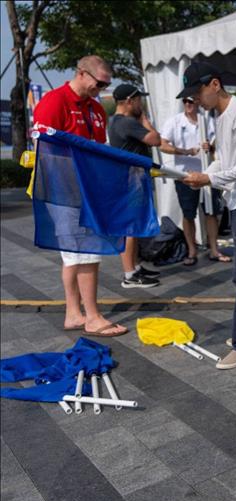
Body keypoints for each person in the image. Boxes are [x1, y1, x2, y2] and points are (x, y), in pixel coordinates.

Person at [180, 62, 236, 370]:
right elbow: (225, 160)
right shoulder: (220, 117)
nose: (195, 100)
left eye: (197, 92)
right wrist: (204, 174)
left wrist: (210, 180)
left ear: (215, 84)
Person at [31, 55, 127, 337]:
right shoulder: (54, 101)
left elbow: (99, 150)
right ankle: (93, 317)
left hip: (89, 190)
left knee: (73, 255)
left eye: (107, 84)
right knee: (86, 251)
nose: (102, 88)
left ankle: (74, 314)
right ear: (82, 74)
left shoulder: (97, 109)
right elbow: (43, 149)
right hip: (65, 192)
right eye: (100, 83)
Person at [159, 96, 230, 265]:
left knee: (211, 211)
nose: (188, 105)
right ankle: (192, 250)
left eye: (191, 102)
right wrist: (185, 151)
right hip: (185, 174)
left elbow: (218, 144)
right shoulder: (174, 122)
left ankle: (213, 248)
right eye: (185, 102)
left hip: (207, 172)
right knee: (188, 212)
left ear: (197, 102)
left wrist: (210, 147)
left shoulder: (207, 121)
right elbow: (162, 145)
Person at [107, 83, 162, 289]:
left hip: (129, 179)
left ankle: (135, 267)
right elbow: (155, 140)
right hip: (131, 181)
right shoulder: (128, 123)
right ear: (129, 101)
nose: (142, 104)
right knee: (130, 227)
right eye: (139, 100)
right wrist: (146, 121)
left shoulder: (116, 121)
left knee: (134, 226)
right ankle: (129, 274)